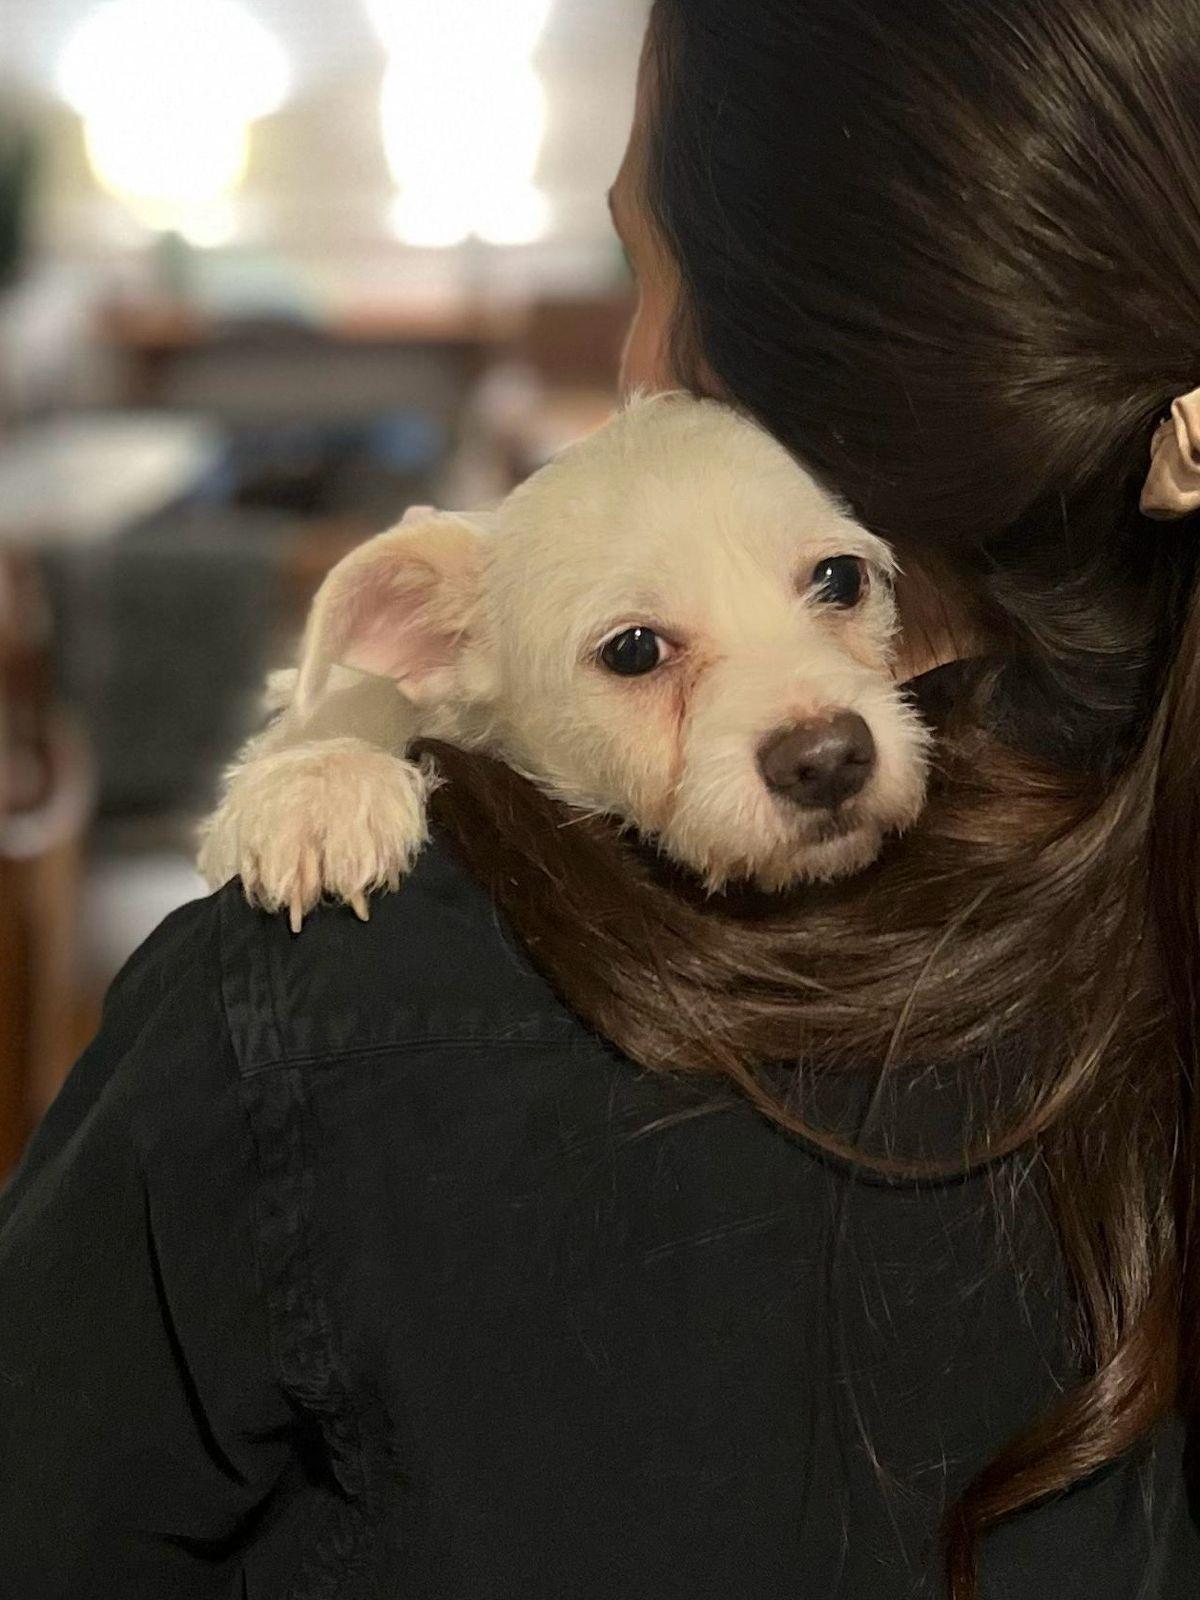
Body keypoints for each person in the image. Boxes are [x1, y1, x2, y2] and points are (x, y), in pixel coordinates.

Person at [2, 1, 1199, 1595]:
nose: (637, 372)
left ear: (826, 371)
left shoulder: (304, 1011)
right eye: (642, 650)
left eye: (647, 267)